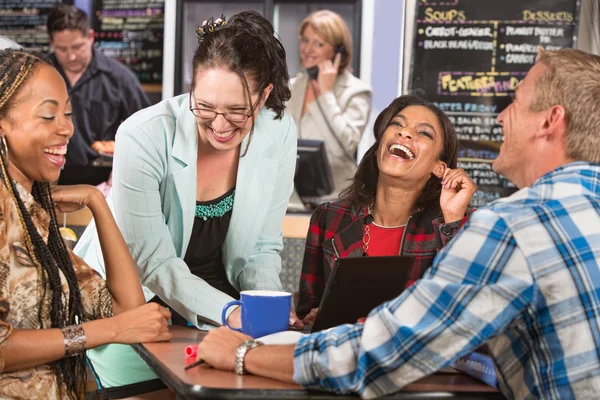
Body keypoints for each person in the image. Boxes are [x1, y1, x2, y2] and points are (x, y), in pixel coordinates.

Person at [194, 48, 600, 399]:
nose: (500, 117)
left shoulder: (512, 227)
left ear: (550, 120)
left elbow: (385, 353)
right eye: (397, 125)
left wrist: (244, 354)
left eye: (514, 102)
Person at [74, 11, 299, 390]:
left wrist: (265, 311)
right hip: (140, 303)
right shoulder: (143, 135)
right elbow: (153, 261)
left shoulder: (278, 131)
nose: (220, 125)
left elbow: (261, 246)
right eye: (205, 107)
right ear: (191, 88)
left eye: (236, 111)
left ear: (263, 97)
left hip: (221, 304)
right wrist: (230, 312)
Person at [0, 49, 171, 399]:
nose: (67, 128)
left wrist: (97, 203)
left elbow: (128, 310)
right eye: (48, 116)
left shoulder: (32, 213)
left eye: (67, 114)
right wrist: (107, 331)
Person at [296, 95, 476, 323]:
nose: (405, 133)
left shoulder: (461, 224)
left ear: (439, 168)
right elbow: (307, 315)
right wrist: (312, 317)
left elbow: (467, 311)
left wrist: (452, 219)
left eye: (424, 133)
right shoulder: (328, 218)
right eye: (397, 124)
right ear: (381, 143)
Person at [46, 4, 151, 185]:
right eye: (62, 49)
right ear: (51, 43)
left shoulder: (119, 78)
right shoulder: (40, 76)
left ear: (91, 37)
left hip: (103, 181)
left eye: (77, 47)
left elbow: (148, 131)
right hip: (47, 179)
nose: (71, 56)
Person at [287, 10, 372, 200]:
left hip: (335, 200)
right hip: (291, 199)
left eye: (318, 43)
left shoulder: (355, 91)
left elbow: (344, 146)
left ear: (337, 52)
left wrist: (326, 95)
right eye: (305, 40)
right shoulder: (291, 88)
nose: (308, 49)